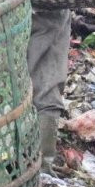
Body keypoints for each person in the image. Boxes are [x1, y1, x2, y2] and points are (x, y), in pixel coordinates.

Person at [28, 9, 71, 169]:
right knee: (47, 87)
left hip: (13, 3)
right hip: (48, 3)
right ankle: (41, 165)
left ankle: (40, 164)